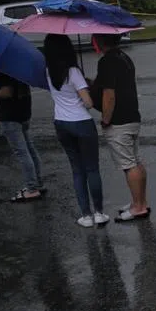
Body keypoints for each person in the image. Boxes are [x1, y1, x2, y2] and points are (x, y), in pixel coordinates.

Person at [44, 34, 106, 227]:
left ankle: (85, 215)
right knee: (92, 169)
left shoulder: (48, 71)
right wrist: (86, 89)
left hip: (61, 123)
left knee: (77, 171)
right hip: (81, 123)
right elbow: (88, 103)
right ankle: (99, 213)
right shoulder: (73, 72)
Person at [91, 33, 149, 222]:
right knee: (135, 161)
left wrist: (106, 119)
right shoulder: (124, 57)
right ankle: (140, 201)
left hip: (119, 120)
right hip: (132, 115)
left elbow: (109, 94)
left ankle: (138, 207)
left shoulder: (107, 62)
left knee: (128, 164)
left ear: (99, 40)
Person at [0, 70, 43, 201]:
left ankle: (32, 189)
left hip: (10, 115)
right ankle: (37, 183)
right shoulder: (18, 65)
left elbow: (6, 92)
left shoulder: (2, 68)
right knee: (29, 149)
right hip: (24, 111)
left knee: (22, 152)